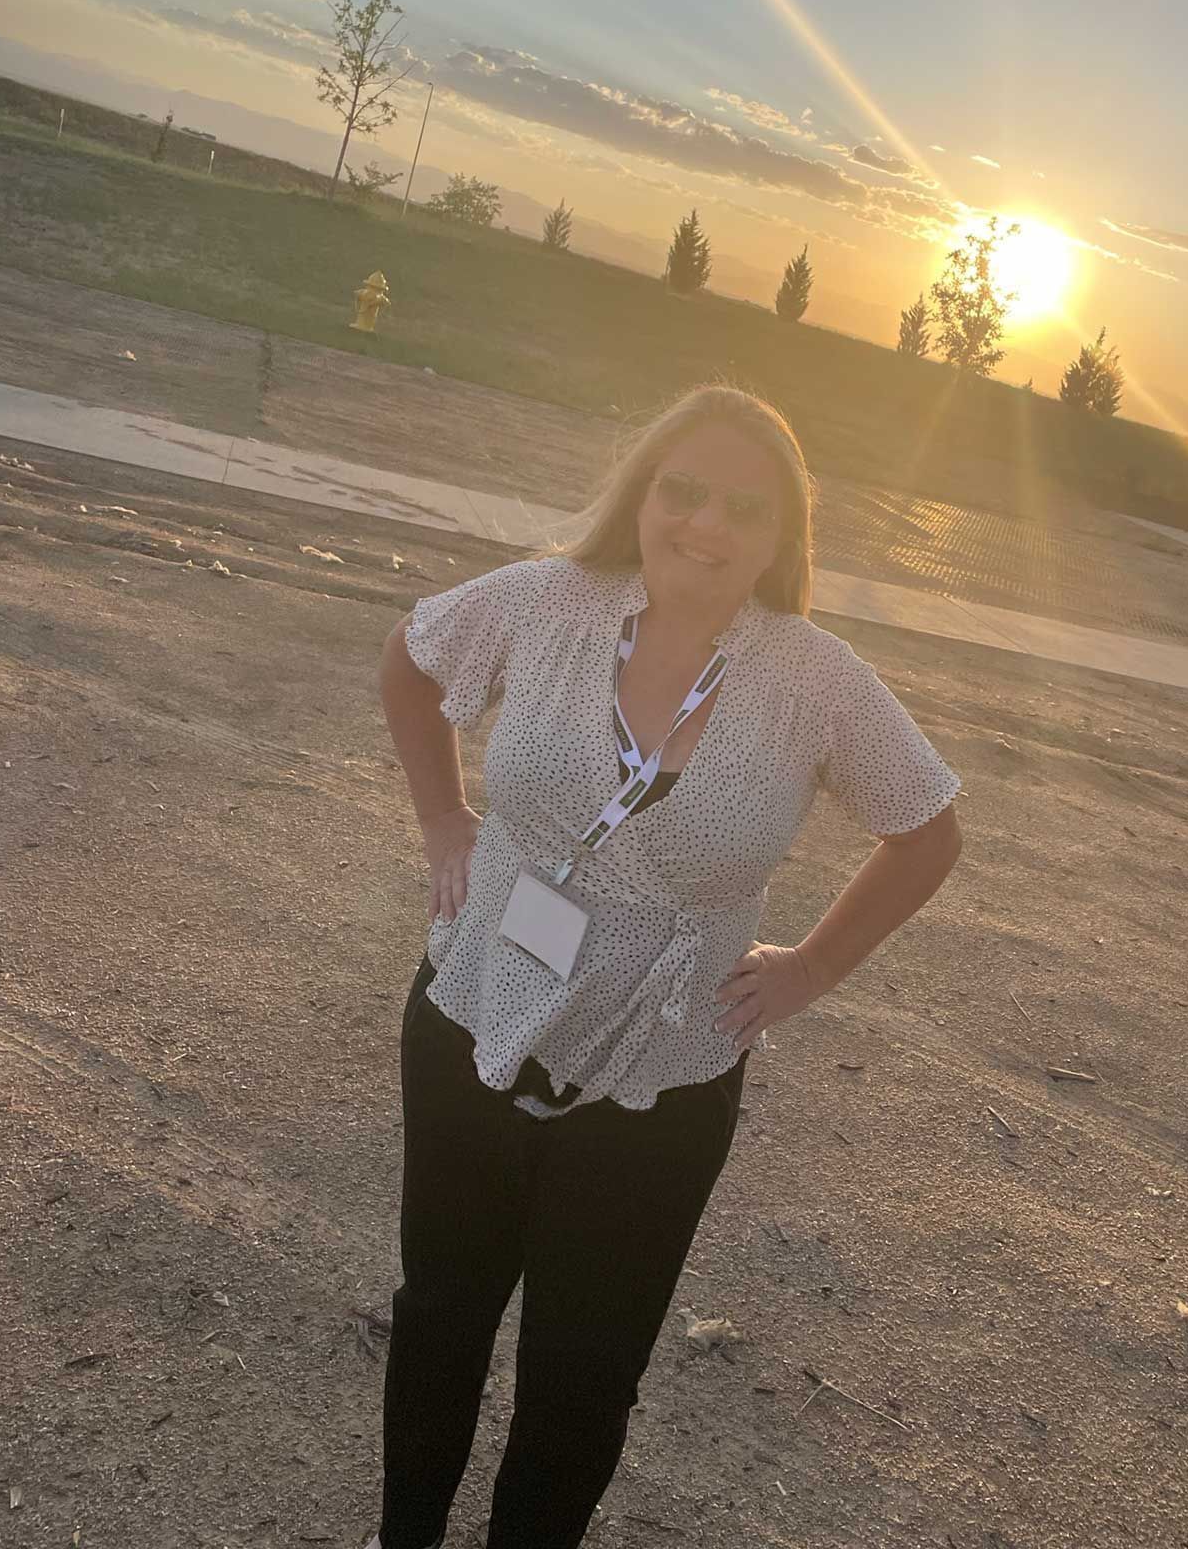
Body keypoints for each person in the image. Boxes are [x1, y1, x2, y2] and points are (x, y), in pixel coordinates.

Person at [366, 385, 964, 1549]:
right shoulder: (547, 603)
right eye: (681, 490)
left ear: (783, 534)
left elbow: (928, 830)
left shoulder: (815, 678)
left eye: (745, 506)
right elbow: (410, 659)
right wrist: (444, 821)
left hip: (661, 1082)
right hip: (472, 1014)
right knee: (439, 1317)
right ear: (640, 493)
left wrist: (808, 969)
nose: (705, 525)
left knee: (583, 1381)